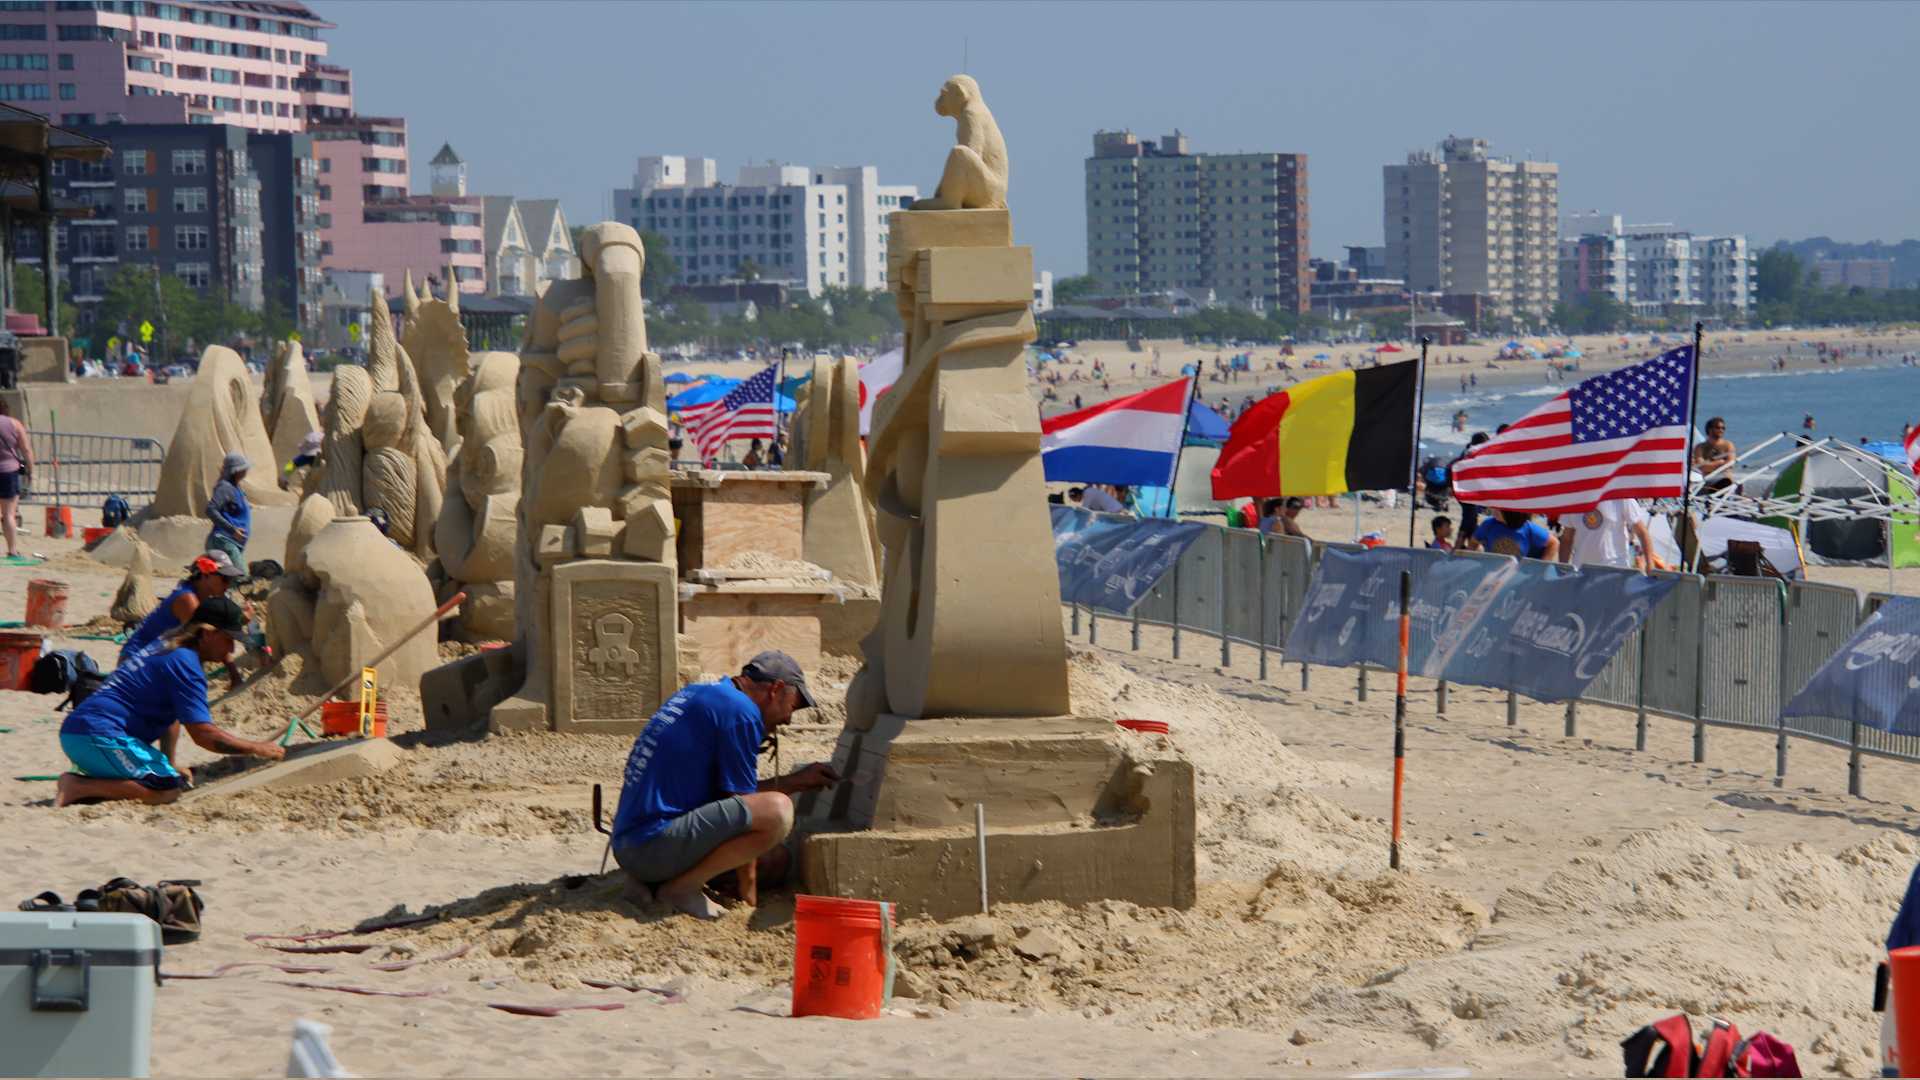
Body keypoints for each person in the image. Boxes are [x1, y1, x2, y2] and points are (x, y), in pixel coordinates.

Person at [609, 651, 839, 919]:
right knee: (778, 811)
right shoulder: (740, 712)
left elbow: (725, 796)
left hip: (629, 845)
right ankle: (682, 889)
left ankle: (657, 882)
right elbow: (743, 807)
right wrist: (749, 894)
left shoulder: (703, 693)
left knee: (776, 860)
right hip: (650, 849)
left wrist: (795, 781)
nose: (788, 719)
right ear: (776, 689)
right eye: (793, 706)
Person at [55, 596, 283, 807]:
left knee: (170, 777)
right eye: (228, 639)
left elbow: (171, 716)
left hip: (82, 734)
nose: (232, 648)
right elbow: (204, 735)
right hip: (98, 735)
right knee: (167, 791)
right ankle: (77, 786)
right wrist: (257, 748)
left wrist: (168, 762)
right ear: (207, 633)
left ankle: (90, 787)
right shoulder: (185, 664)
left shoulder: (169, 643)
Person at [120, 550, 245, 674]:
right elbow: (213, 637)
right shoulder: (188, 600)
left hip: (150, 657)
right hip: (134, 661)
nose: (228, 584)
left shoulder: (202, 597)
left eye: (230, 579)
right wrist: (234, 674)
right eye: (224, 578)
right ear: (205, 574)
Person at [1560, 498, 1654, 570]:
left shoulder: (1621, 497)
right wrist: (1562, 570)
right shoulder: (1573, 499)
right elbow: (1566, 539)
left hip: (1614, 570)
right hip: (1581, 570)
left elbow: (1642, 532)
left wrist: (1650, 564)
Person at [205, 452, 251, 567]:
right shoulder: (225, 488)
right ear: (236, 471)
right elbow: (211, 510)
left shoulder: (236, 487)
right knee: (240, 578)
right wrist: (232, 530)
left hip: (233, 543)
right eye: (243, 468)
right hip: (224, 541)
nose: (246, 471)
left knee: (229, 580)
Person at [0, 398, 31, 558]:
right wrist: (31, 470)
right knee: (8, 514)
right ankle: (12, 550)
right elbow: (26, 449)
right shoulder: (15, 424)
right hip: (9, 471)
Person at [1470, 509, 1557, 560]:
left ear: (1510, 511)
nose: (1493, 507)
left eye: (1499, 507)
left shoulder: (1528, 528)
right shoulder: (1489, 524)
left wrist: (1540, 569)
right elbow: (1473, 542)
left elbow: (1554, 543)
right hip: (1491, 571)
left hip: (1517, 577)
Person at [1693, 417, 1735, 492]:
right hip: (1708, 481)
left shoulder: (1728, 445)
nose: (1721, 430)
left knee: (1725, 482)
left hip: (1725, 480)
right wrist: (1720, 462)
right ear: (1710, 429)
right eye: (1718, 428)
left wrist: (1710, 465)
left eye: (1723, 428)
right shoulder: (1700, 447)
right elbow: (1701, 466)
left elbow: (1729, 464)